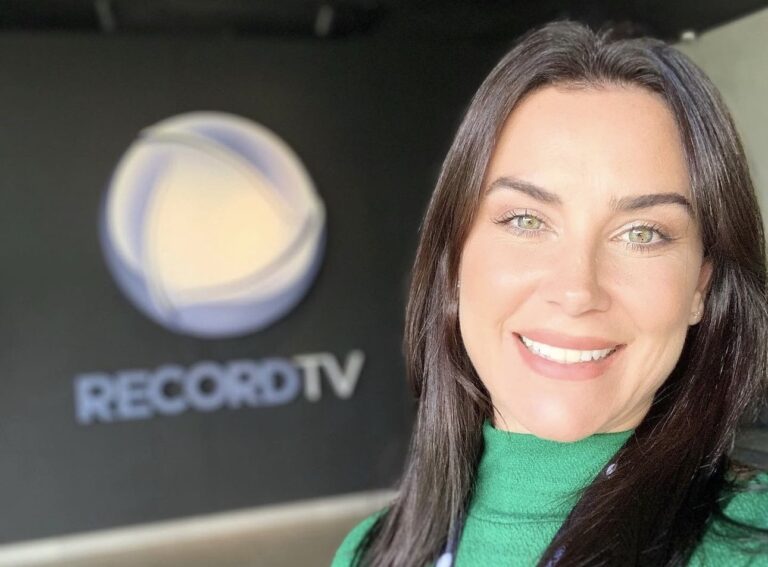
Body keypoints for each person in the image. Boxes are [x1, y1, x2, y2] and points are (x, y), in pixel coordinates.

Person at [331, 20, 768, 567]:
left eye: (641, 233)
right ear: (454, 257)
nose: (576, 290)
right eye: (525, 220)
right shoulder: (369, 552)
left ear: (701, 285)